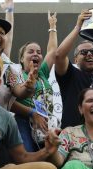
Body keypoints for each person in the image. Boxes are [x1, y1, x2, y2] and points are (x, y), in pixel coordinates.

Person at [8, 11, 58, 152]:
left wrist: (52, 26)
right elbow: (7, 103)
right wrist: (32, 113)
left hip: (46, 123)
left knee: (48, 159)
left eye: (38, 52)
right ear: (22, 59)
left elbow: (53, 51)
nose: (36, 54)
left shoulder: (42, 73)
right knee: (28, 160)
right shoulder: (15, 73)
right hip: (23, 122)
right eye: (30, 51)